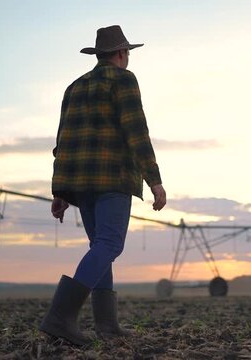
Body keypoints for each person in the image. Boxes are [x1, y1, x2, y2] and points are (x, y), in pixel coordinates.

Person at [40, 25, 166, 346]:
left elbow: (62, 142)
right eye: (127, 54)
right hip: (112, 177)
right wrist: (155, 181)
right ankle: (61, 317)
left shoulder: (74, 87)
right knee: (111, 244)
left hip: (80, 182)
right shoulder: (124, 80)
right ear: (122, 54)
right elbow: (136, 132)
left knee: (100, 245)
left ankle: (106, 324)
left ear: (99, 54)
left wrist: (60, 192)